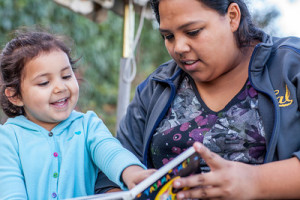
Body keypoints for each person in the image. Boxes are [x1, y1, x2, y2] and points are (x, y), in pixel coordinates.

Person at [95, 0, 300, 199]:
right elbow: (111, 176)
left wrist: (255, 181)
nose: (179, 47)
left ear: (232, 17)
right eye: (168, 36)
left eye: (192, 32)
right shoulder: (156, 87)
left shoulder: (290, 66)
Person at [0, 28, 155, 200]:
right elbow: (10, 192)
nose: (60, 88)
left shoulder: (88, 126)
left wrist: (133, 173)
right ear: (15, 96)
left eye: (66, 76)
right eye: (44, 82)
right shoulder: (8, 138)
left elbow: (111, 152)